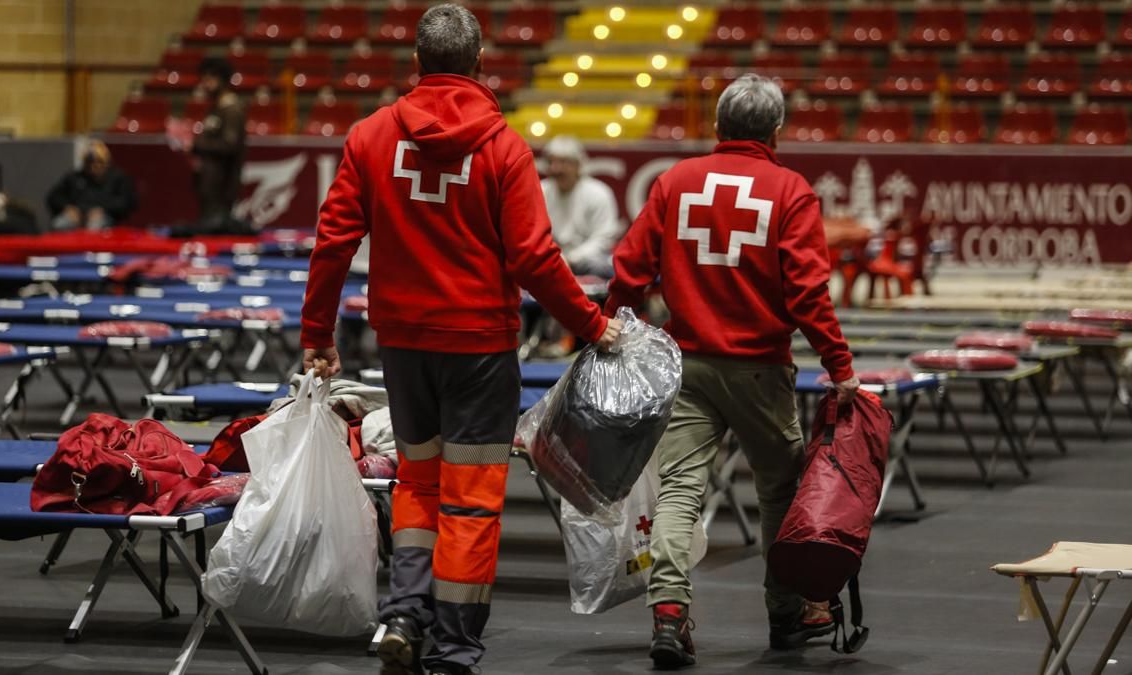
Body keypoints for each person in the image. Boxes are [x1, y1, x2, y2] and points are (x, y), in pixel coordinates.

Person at [300, 6, 621, 674]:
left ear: (416, 65)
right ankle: (452, 644)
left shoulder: (370, 135)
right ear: (481, 66)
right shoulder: (504, 146)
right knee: (471, 497)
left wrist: (317, 333)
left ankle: (404, 615)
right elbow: (534, 258)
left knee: (417, 479)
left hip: (404, 345)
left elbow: (333, 240)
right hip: (478, 347)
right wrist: (593, 325)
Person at [604, 74, 860, 669]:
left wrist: (608, 325)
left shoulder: (675, 181)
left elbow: (630, 268)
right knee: (781, 490)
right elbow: (807, 294)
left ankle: (669, 613)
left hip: (687, 366)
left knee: (679, 491)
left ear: (717, 127)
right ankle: (786, 612)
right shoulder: (791, 190)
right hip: (760, 372)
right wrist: (838, 364)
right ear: (776, 131)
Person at [540, 135, 622, 277]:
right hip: (549, 260)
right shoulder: (540, 191)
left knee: (601, 266)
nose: (556, 169)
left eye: (563, 162)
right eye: (551, 162)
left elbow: (604, 238)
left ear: (578, 165)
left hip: (586, 261)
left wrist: (572, 258)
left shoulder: (598, 193)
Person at [192, 56, 247, 232]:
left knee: (217, 229)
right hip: (210, 180)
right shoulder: (216, 107)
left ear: (222, 79)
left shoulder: (231, 109)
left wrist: (197, 146)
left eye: (210, 79)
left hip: (223, 181)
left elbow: (229, 145)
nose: (205, 84)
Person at [45, 140, 138, 230]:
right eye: (90, 162)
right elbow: (53, 197)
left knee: (94, 227)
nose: (94, 166)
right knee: (59, 225)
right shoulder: (74, 177)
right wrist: (67, 207)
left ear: (107, 162)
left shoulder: (118, 178)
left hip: (105, 217)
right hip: (77, 215)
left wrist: (103, 209)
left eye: (99, 162)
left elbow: (126, 202)